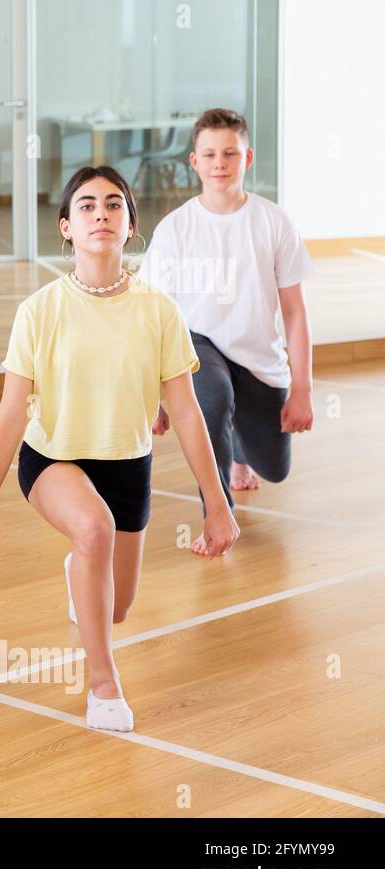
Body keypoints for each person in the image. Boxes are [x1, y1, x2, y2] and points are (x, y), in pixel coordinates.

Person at [0, 165, 239, 732]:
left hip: (128, 465)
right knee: (94, 529)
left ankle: (82, 573)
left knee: (117, 607)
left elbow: (185, 412)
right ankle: (103, 684)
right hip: (52, 459)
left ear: (131, 224)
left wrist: (217, 504)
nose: (100, 215)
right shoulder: (38, 311)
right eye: (86, 206)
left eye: (113, 205)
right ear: (65, 226)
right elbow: (11, 411)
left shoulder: (159, 311)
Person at [141, 108, 315, 556]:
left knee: (274, 469)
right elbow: (153, 317)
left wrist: (302, 388)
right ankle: (218, 514)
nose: (220, 162)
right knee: (212, 399)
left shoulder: (274, 222)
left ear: (248, 158)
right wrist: (152, 396)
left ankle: (240, 452)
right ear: (194, 162)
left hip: (258, 357)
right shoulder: (175, 229)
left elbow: (294, 312)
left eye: (230, 153)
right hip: (197, 343)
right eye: (210, 154)